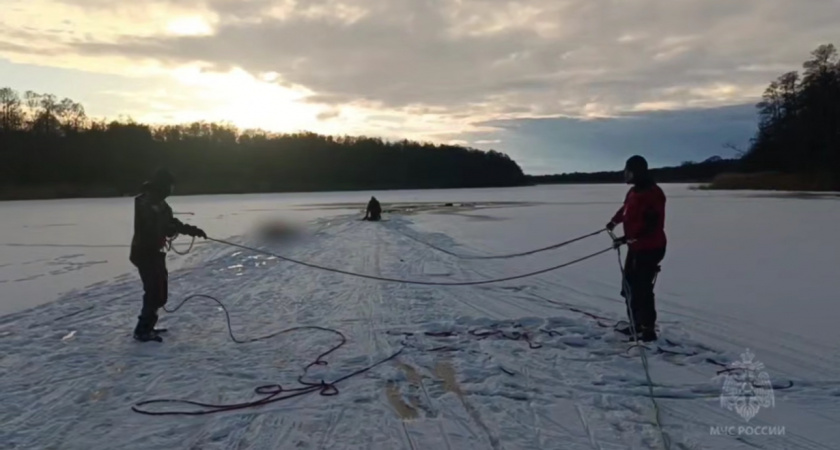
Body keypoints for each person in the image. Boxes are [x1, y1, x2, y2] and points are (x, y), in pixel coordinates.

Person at [129, 168, 207, 342]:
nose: (172, 189)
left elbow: (171, 223)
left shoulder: (162, 204)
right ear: (162, 185)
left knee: (160, 292)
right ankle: (142, 330)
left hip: (156, 252)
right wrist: (167, 229)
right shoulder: (144, 202)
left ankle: (149, 326)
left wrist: (191, 230)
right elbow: (150, 226)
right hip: (144, 252)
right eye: (170, 185)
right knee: (153, 291)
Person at [606, 155, 666, 342]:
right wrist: (614, 222)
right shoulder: (633, 192)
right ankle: (636, 323)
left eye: (628, 171)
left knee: (642, 289)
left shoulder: (653, 193)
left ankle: (647, 330)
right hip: (636, 247)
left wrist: (627, 239)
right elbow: (625, 210)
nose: (625, 174)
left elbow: (651, 225)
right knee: (629, 287)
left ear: (636, 172)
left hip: (650, 248)